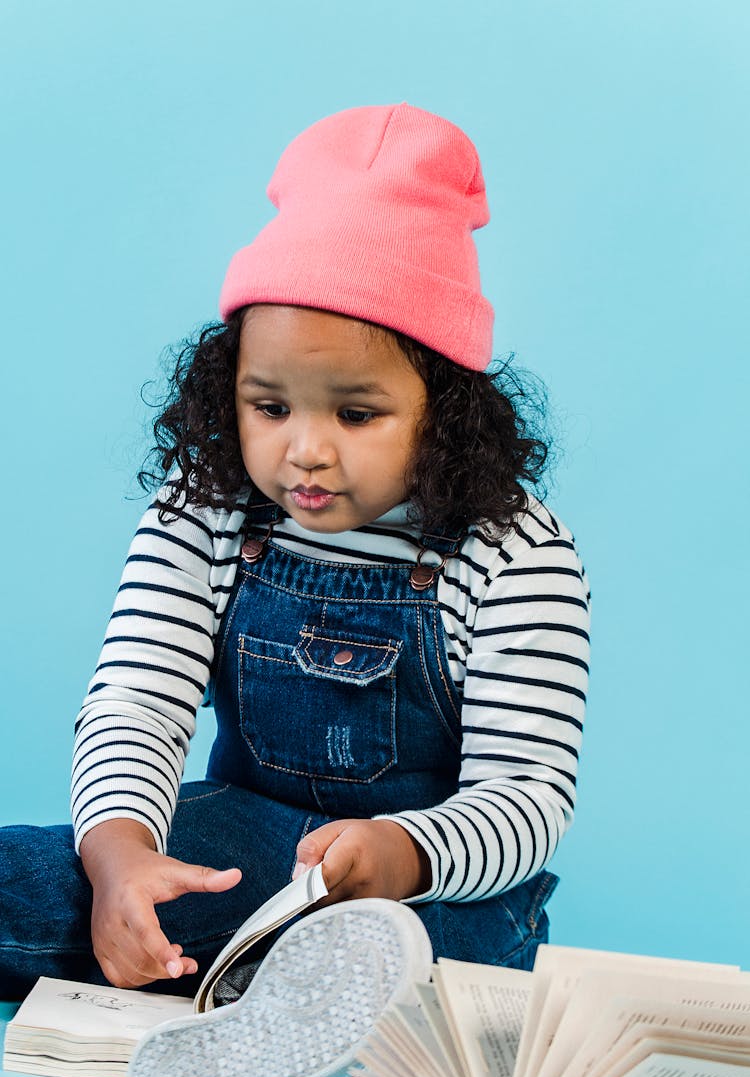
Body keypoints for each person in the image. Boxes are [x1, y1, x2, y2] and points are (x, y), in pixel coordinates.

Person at [0, 104, 590, 1009]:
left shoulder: (514, 548)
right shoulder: (207, 508)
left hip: (431, 883)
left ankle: (256, 994)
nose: (305, 451)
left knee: (384, 954)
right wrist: (121, 858)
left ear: (445, 407)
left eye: (355, 414)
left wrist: (400, 851)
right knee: (37, 879)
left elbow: (527, 796)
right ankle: (224, 978)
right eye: (269, 406)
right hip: (253, 844)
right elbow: (139, 695)